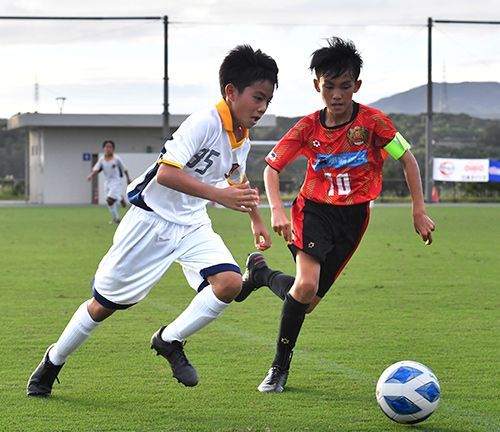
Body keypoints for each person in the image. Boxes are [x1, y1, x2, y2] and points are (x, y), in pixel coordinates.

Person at [27, 44, 279, 397]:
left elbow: (238, 179)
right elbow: (165, 176)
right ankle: (51, 362)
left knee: (229, 283)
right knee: (102, 306)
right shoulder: (205, 122)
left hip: (191, 223)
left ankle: (169, 340)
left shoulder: (241, 138)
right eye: (257, 98)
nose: (263, 108)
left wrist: (256, 219)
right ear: (231, 92)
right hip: (149, 222)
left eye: (268, 100)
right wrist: (220, 196)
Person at [235, 37, 435, 393]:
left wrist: (418, 209)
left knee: (306, 301)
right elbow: (270, 169)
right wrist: (277, 209)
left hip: (354, 220)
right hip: (313, 211)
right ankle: (278, 370)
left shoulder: (375, 124)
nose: (337, 95)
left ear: (357, 86)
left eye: (345, 86)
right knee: (307, 284)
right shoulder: (308, 128)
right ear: (318, 86)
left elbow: (407, 158)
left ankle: (260, 273)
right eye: (329, 86)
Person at [87, 140, 131, 223]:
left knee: (110, 200)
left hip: (116, 182)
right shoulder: (102, 160)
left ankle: (119, 198)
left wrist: (128, 179)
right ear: (104, 148)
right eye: (106, 147)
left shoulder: (116, 159)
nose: (108, 149)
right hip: (107, 182)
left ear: (113, 149)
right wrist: (90, 176)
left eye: (110, 147)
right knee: (109, 202)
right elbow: (96, 170)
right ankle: (116, 217)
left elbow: (124, 169)